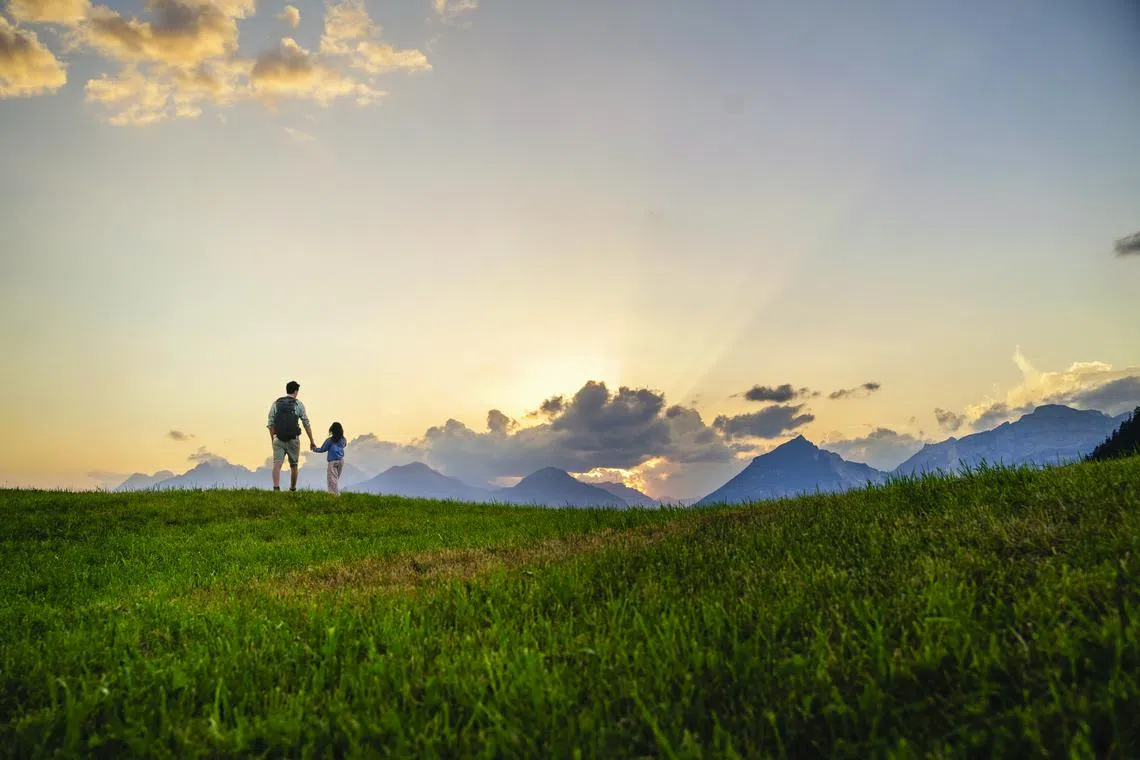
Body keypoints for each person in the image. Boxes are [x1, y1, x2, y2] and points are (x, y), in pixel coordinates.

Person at [267, 380, 316, 491]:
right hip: (293, 439)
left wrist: (273, 439)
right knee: (294, 465)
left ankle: (276, 488)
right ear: (295, 391)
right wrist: (311, 441)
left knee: (277, 465)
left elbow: (270, 423)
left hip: (278, 439)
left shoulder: (276, 403)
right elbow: (306, 423)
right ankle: (292, 489)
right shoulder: (298, 404)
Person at [312, 422, 347, 495]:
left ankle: (334, 495)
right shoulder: (343, 439)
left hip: (332, 462)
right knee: (336, 478)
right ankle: (335, 494)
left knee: (332, 480)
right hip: (341, 461)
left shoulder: (330, 440)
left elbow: (322, 449)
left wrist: (314, 449)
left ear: (332, 430)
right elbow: (344, 445)